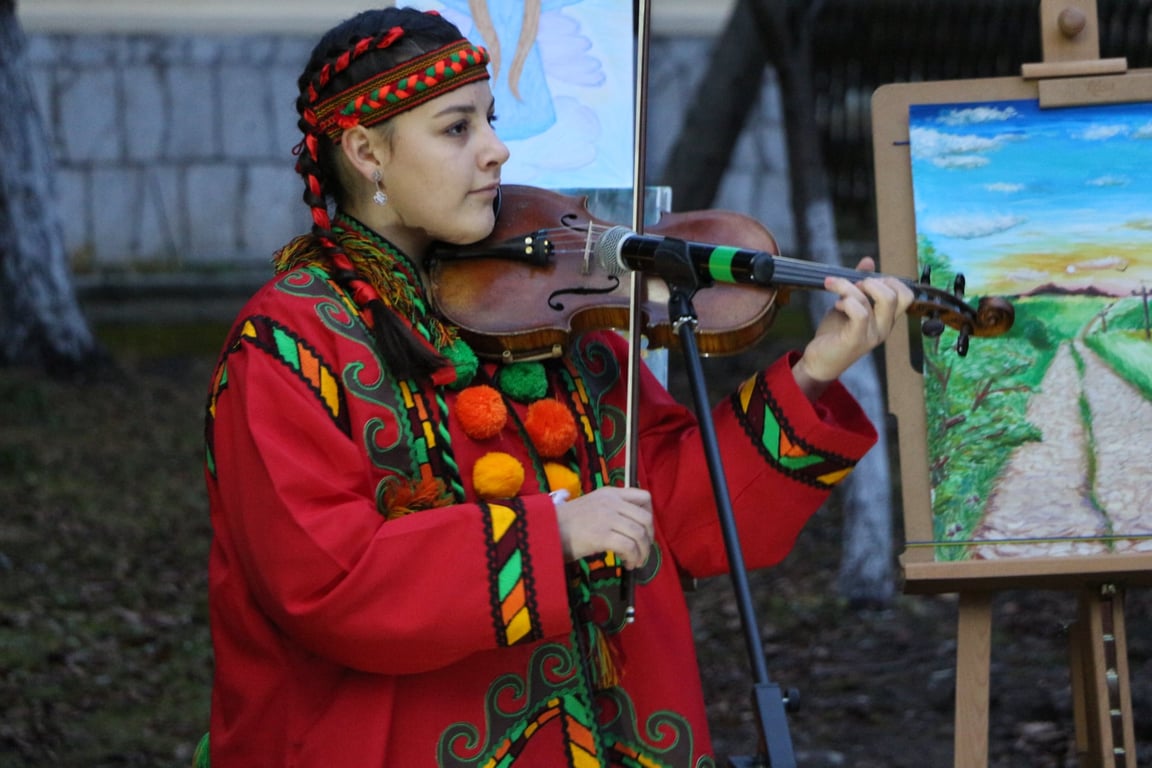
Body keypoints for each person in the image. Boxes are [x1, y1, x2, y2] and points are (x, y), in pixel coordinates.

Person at [200, 6, 914, 767]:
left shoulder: (539, 305)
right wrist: (556, 532)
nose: (498, 150)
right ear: (367, 151)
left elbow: (673, 510)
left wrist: (814, 371)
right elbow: (327, 581)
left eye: (491, 121)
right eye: (456, 129)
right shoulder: (287, 343)